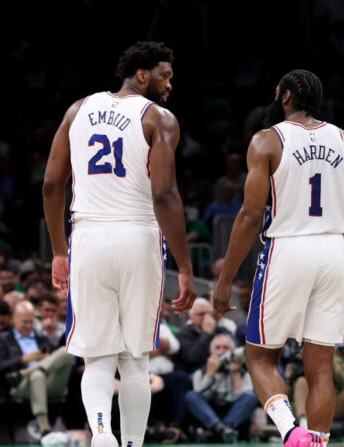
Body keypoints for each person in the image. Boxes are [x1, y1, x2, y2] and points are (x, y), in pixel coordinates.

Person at [42, 41, 197, 447]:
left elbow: (51, 184)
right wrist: (183, 266)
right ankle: (130, 442)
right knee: (135, 358)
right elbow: (165, 195)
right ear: (142, 74)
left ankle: (102, 434)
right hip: (137, 236)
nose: (169, 85)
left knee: (97, 356)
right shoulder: (158, 118)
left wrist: (59, 251)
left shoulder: (77, 110)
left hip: (88, 238)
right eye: (165, 75)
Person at [212, 69, 344, 447]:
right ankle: (315, 442)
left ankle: (290, 431)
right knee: (320, 370)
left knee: (259, 358)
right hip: (335, 251)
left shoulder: (267, 140)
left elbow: (251, 215)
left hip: (288, 247)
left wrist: (225, 279)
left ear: (285, 96)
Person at [0, 301, 74, 437]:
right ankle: (44, 427)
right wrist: (23, 359)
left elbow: (60, 359)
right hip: (21, 385)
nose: (28, 326)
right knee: (37, 376)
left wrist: (48, 357)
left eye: (31, 322)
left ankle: (32, 370)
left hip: (50, 382)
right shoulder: (2, 339)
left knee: (66, 351)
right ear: (14, 319)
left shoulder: (42, 338)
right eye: (24, 322)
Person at [184, 334, 258, 443]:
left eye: (226, 348)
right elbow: (198, 399)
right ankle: (221, 430)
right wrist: (210, 374)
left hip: (232, 415)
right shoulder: (201, 372)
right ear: (211, 352)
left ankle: (221, 430)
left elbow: (244, 402)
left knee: (251, 396)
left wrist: (235, 373)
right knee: (191, 395)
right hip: (210, 415)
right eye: (217, 347)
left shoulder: (243, 374)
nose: (221, 351)